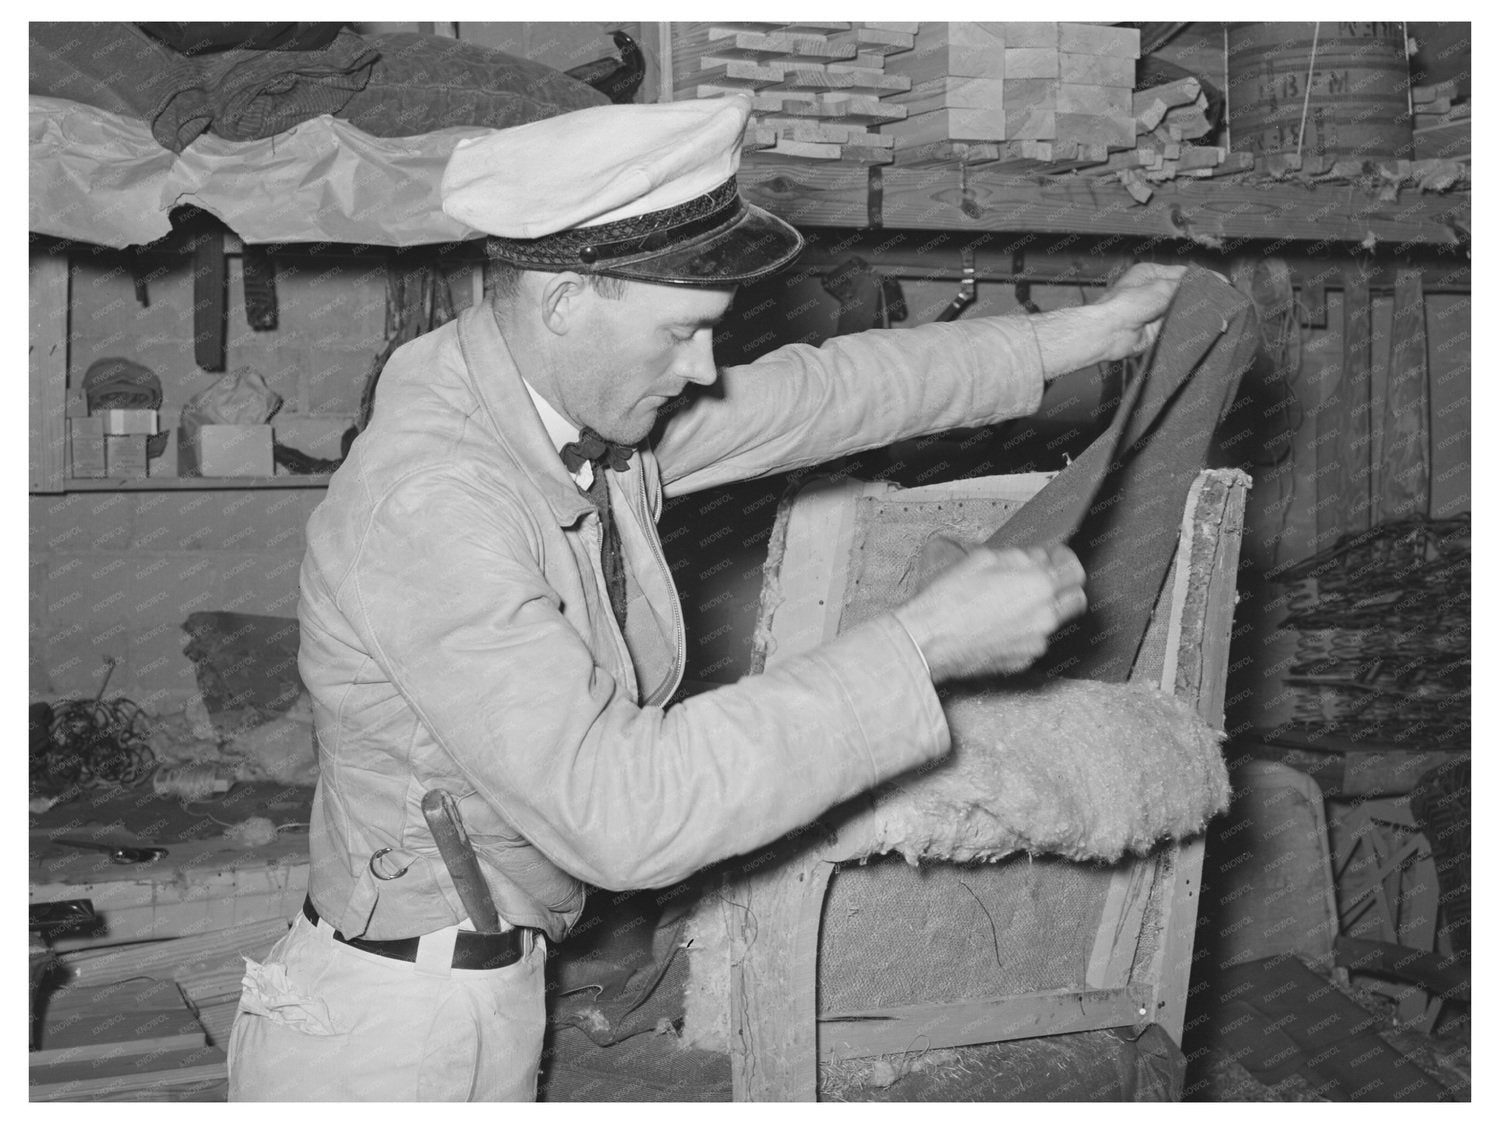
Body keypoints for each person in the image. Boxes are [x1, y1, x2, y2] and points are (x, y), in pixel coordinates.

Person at [227, 96, 1185, 1101]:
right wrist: (922, 647)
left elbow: (829, 392)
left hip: (480, 985)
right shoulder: (435, 503)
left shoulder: (561, 414)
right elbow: (622, 808)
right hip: (393, 1028)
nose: (700, 368)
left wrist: (1089, 331)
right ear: (564, 298)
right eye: (681, 332)